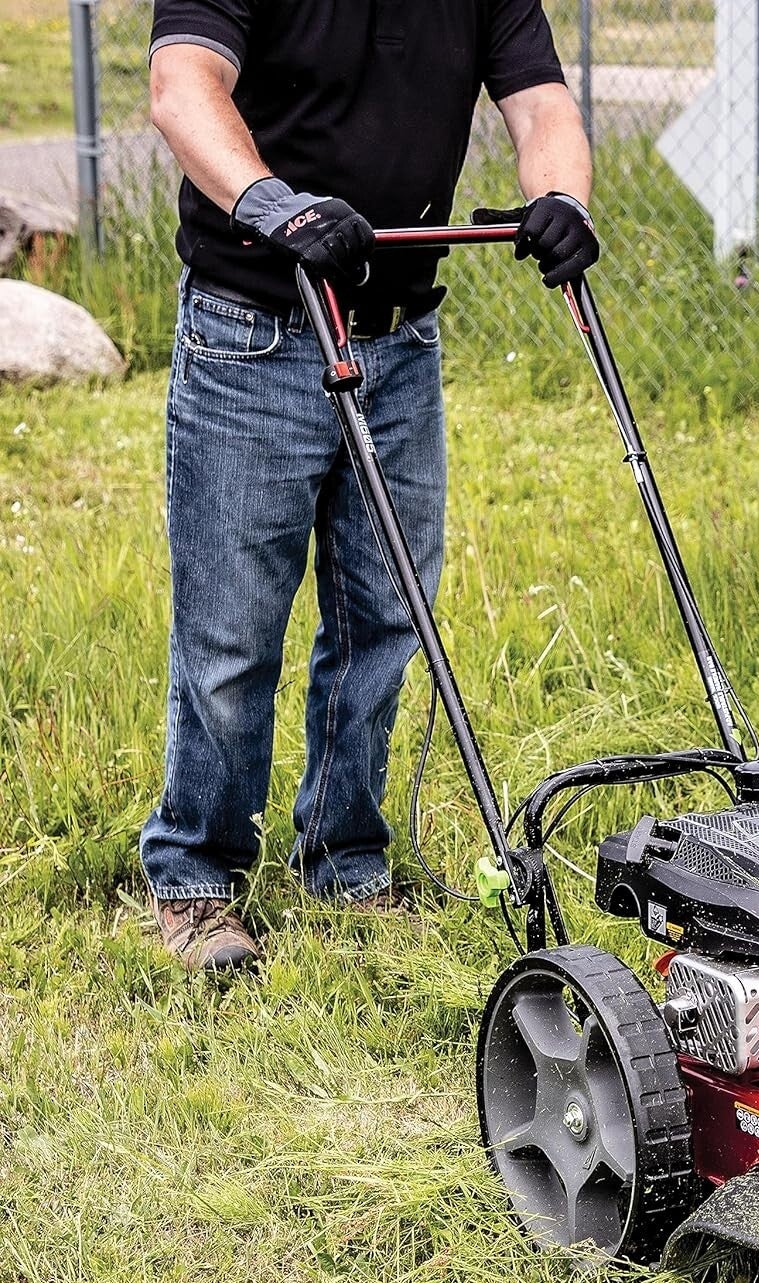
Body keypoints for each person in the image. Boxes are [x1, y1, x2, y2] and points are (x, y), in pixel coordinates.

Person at [141, 2, 598, 971]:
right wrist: (276, 205)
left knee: (383, 619)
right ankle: (194, 880)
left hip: (398, 338)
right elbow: (184, 92)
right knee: (230, 635)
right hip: (253, 331)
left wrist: (561, 198)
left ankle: (344, 860)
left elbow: (542, 104)